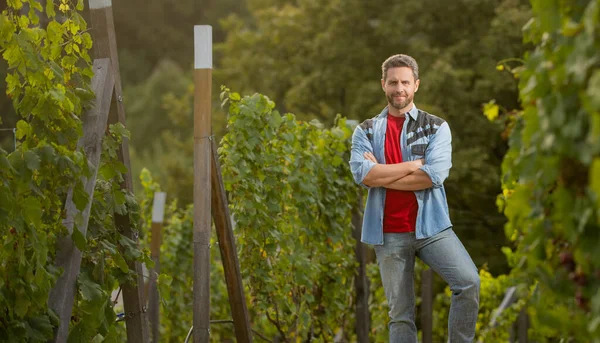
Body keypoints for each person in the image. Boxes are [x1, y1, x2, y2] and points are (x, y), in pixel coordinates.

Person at [349, 54, 480, 342]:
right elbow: (363, 175)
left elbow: (434, 176)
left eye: (405, 82)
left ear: (416, 85)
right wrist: (412, 165)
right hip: (388, 233)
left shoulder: (436, 127)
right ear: (383, 84)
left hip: (432, 227)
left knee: (468, 283)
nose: (399, 89)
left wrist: (381, 174)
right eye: (393, 82)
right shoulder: (366, 131)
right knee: (400, 315)